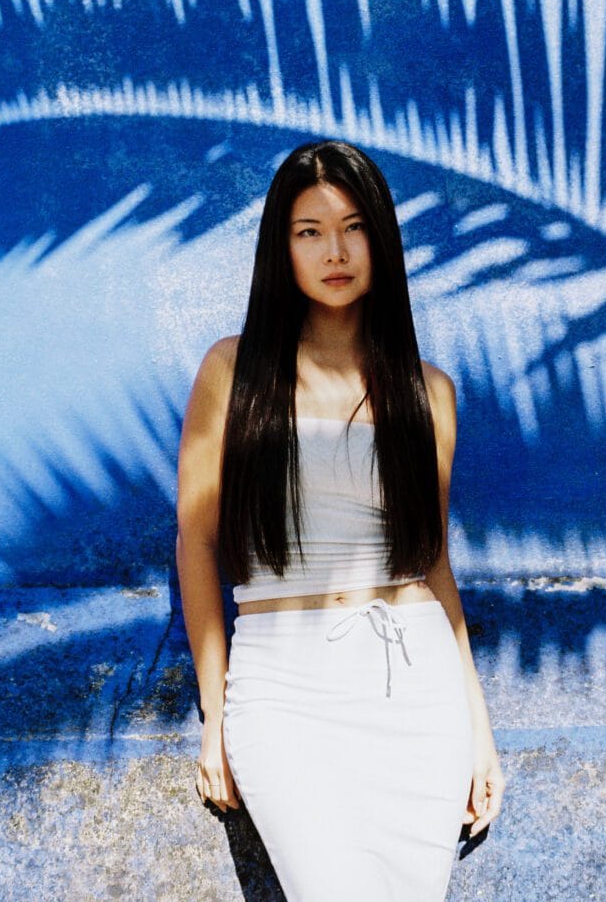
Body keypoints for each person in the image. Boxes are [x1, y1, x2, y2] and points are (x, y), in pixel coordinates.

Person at [175, 140, 505, 901]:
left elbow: (431, 564)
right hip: (282, 693)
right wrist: (215, 714)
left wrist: (478, 730)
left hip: (416, 696)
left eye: (354, 227)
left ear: (380, 241)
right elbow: (196, 543)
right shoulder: (232, 371)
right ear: (280, 247)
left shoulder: (429, 392)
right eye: (309, 231)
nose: (335, 250)